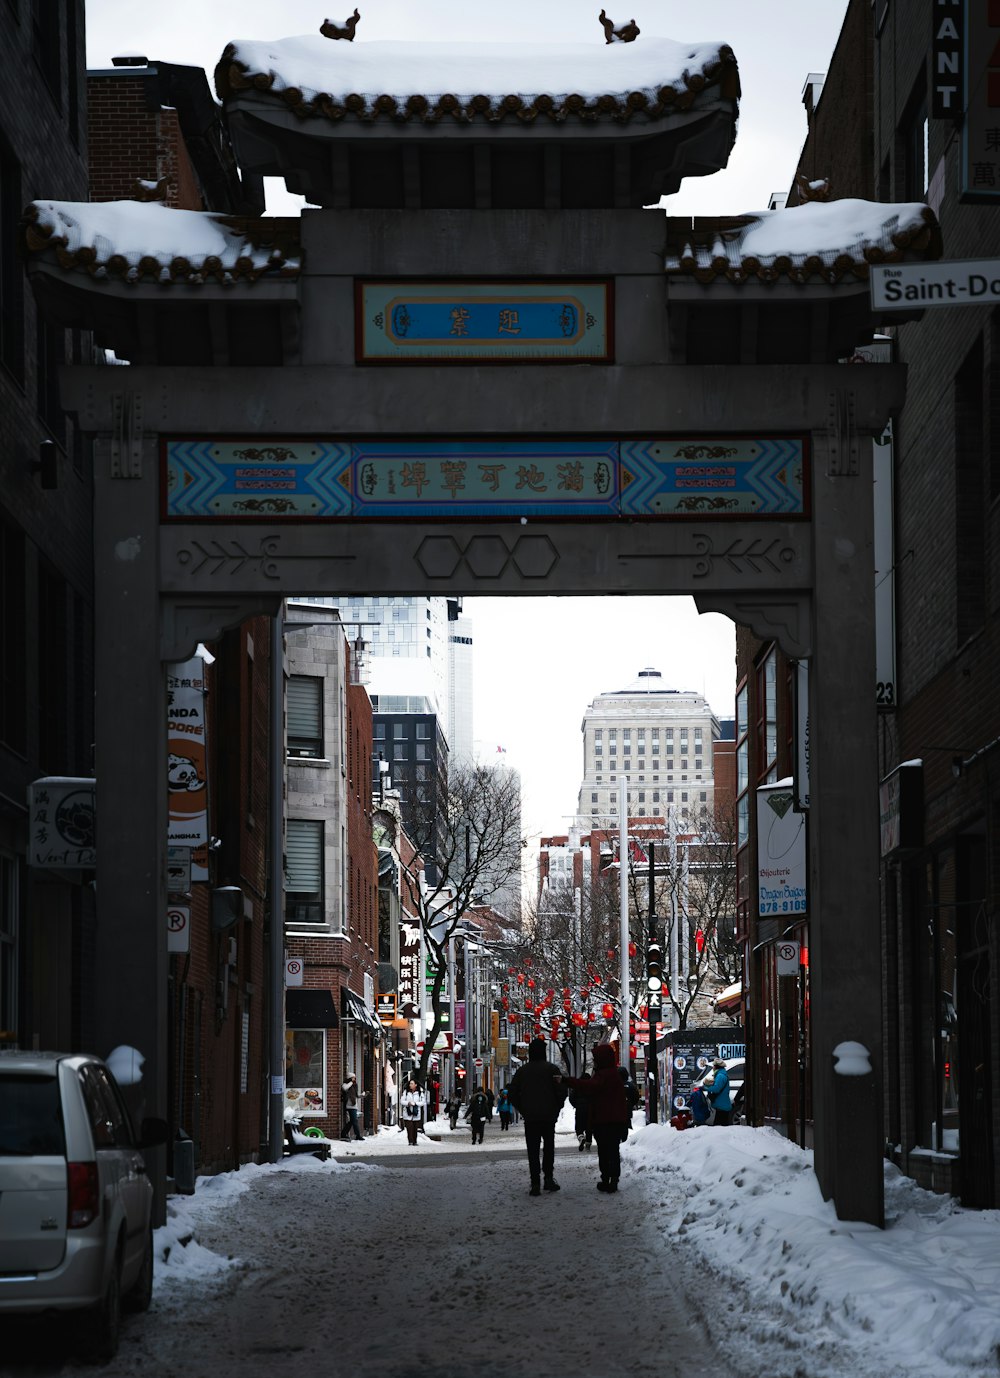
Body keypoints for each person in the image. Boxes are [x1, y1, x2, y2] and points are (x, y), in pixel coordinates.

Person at [564, 1043, 629, 1193]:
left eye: (596, 1059)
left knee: (605, 1152)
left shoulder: (603, 1076)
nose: (594, 1062)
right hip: (616, 1121)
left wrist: (568, 1081)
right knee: (613, 1151)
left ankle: (607, 1179)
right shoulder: (615, 1076)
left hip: (603, 1121)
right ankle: (613, 1179)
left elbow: (588, 1086)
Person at [507, 1037, 566, 1196]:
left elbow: (512, 1093)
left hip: (531, 1117)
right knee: (548, 1148)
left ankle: (535, 1182)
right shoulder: (552, 1069)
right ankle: (548, 1178)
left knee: (532, 1150)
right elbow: (561, 1091)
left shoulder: (522, 1071)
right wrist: (556, 1107)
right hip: (548, 1117)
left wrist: (523, 1108)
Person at [569, 1071, 593, 1151]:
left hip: (580, 1110)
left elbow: (571, 1098)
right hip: (590, 1110)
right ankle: (588, 1144)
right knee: (589, 1128)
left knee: (579, 1127)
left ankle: (581, 1137)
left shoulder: (577, 1086)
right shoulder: (592, 1086)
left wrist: (576, 1105)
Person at [705, 1058, 733, 1126]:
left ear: (716, 1067)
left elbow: (716, 1088)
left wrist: (706, 1088)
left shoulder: (720, 1076)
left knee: (719, 1127)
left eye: (713, 1066)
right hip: (722, 1105)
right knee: (720, 1126)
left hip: (722, 1105)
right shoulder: (721, 1074)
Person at [400, 1076, 425, 1145]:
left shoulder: (420, 1092)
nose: (410, 1085)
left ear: (415, 1085)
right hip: (408, 1112)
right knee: (409, 1128)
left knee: (415, 1128)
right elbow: (402, 1101)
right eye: (410, 1083)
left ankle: (415, 1141)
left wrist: (416, 1104)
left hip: (416, 1113)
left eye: (412, 1083)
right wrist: (408, 1103)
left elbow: (423, 1102)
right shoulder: (406, 1092)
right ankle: (410, 1141)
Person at [340, 1073, 366, 1141]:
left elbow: (356, 1096)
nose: (354, 1079)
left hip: (354, 1105)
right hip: (349, 1105)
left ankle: (344, 1133)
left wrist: (362, 1095)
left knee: (352, 1121)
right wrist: (351, 1082)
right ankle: (358, 1135)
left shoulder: (354, 1086)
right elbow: (344, 1088)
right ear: (350, 1078)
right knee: (354, 1121)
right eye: (353, 1078)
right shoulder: (346, 1084)